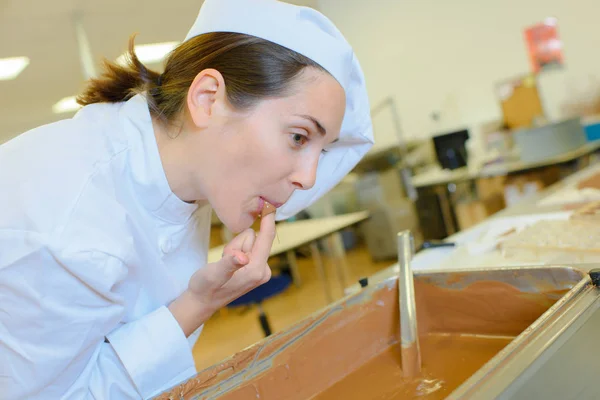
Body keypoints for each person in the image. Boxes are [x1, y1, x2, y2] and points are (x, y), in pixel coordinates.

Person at [0, 0, 374, 398]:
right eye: (299, 137)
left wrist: (200, 299)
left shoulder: (185, 173)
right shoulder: (69, 222)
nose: (309, 178)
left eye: (322, 150)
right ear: (207, 98)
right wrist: (196, 305)